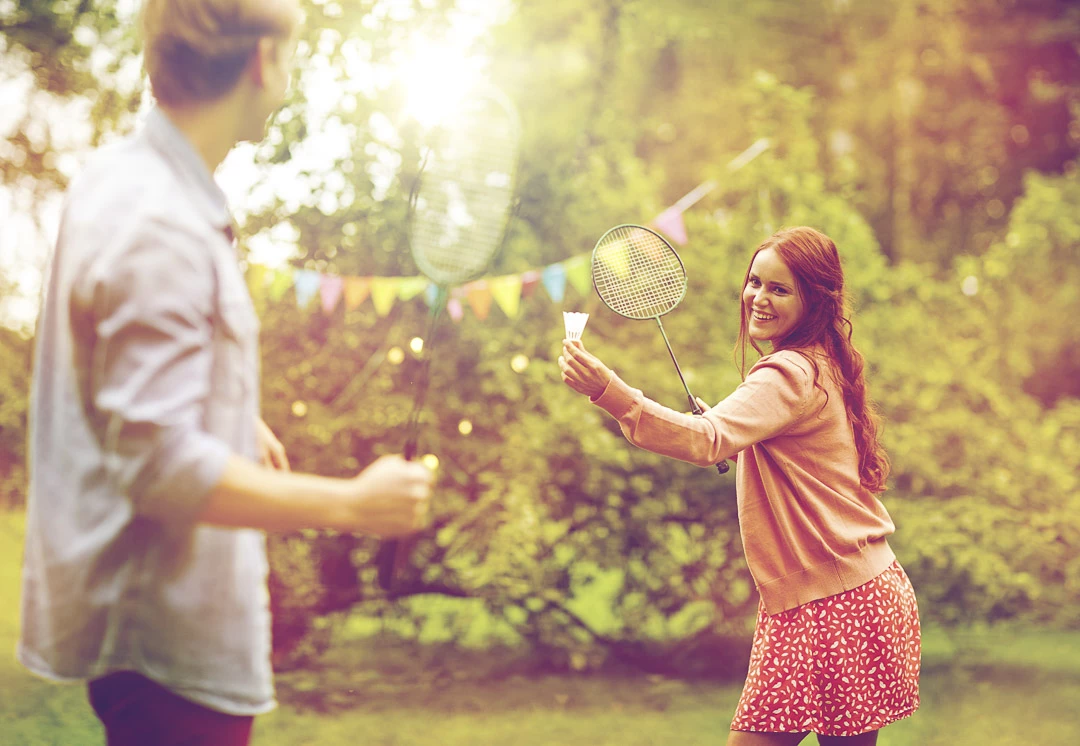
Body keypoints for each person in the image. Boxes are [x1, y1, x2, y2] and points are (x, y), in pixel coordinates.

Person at [18, 1, 434, 744]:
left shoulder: (123, 181)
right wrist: (353, 504)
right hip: (168, 648)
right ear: (261, 62)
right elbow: (161, 470)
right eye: (290, 55)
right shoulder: (160, 222)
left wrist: (229, 410)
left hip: (142, 642)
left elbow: (120, 378)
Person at [559, 226, 920, 746]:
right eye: (755, 282)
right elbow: (736, 436)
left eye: (780, 289)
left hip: (829, 606)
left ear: (814, 300)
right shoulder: (818, 362)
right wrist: (730, 433)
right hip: (862, 592)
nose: (758, 297)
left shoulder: (788, 374)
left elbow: (706, 440)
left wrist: (610, 392)